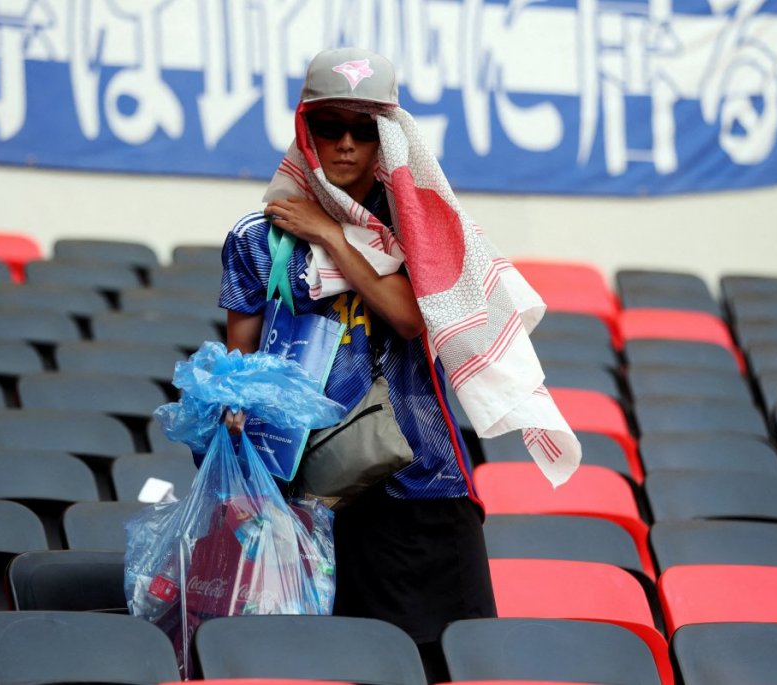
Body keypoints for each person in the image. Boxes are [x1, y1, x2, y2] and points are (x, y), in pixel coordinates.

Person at [218, 47, 580, 682]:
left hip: (426, 483)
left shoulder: (421, 226)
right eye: (331, 127)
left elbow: (410, 318)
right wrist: (232, 404)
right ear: (307, 129)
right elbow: (238, 361)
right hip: (322, 496)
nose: (347, 144)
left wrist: (332, 235)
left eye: (365, 128)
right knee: (349, 669)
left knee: (453, 665)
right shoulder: (257, 239)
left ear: (388, 137)